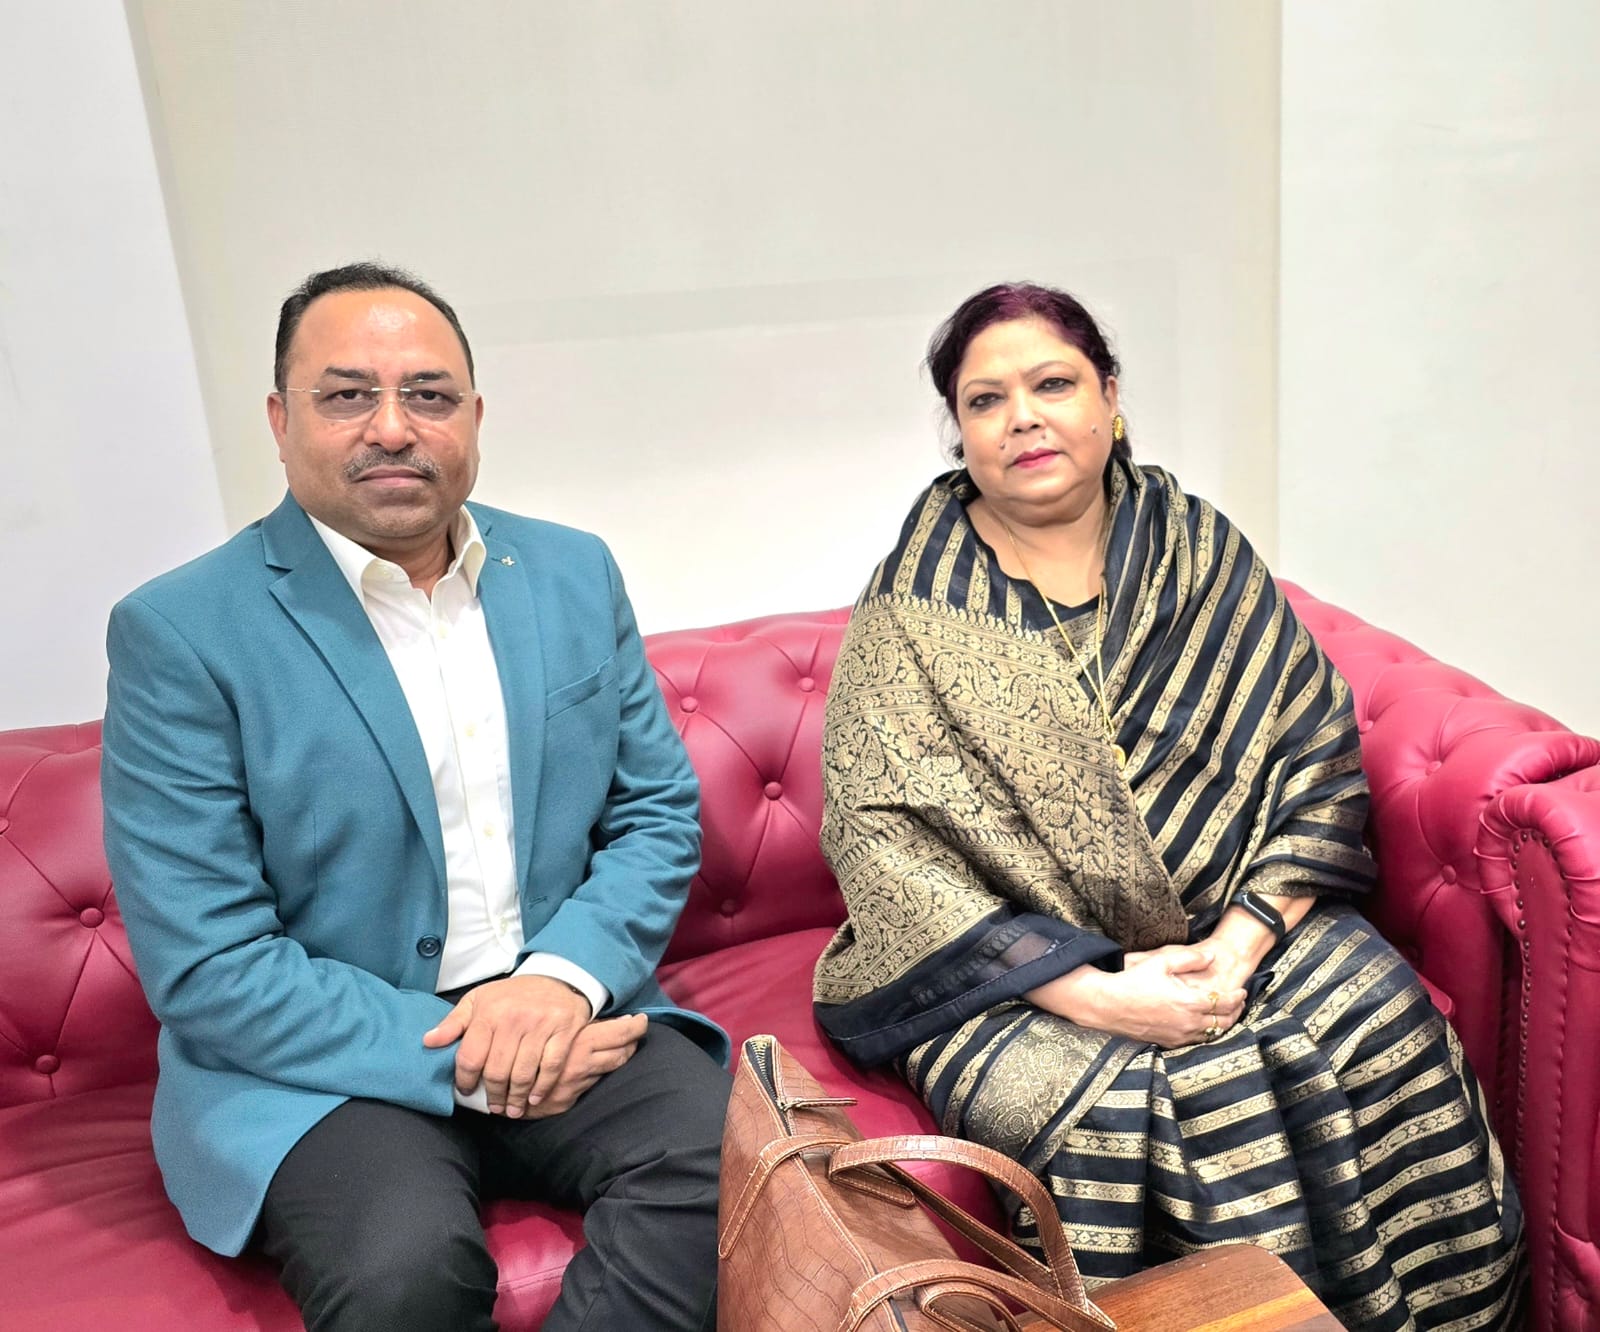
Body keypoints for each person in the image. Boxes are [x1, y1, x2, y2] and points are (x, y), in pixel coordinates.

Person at [813, 282, 1524, 1330]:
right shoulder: (910, 610)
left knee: (1376, 1019)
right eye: (985, 400)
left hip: (1241, 919)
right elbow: (880, 841)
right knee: (1146, 1110)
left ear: (1109, 397)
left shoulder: (1195, 548)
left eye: (1053, 384)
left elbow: (1310, 744)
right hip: (1013, 976)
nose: (1022, 418)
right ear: (959, 432)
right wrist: (1090, 993)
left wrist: (1238, 945)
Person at [101, 262, 729, 1331]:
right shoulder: (182, 633)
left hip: (563, 1005)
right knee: (403, 1275)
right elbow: (208, 961)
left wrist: (559, 983)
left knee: (738, 1164)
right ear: (280, 421)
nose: (392, 428)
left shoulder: (573, 571)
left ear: (473, 417)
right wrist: (479, 1059)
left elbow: (655, 814)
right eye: (347, 395)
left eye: (428, 395)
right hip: (322, 1066)